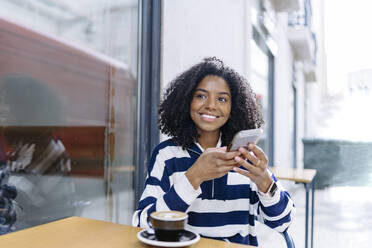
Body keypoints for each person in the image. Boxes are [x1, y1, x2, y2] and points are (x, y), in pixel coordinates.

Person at [132, 57, 295, 246]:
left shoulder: (244, 159)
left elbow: (282, 223)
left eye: (222, 99)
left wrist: (265, 182)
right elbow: (142, 224)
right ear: (186, 100)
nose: (211, 105)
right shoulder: (167, 155)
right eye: (201, 96)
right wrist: (193, 177)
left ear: (233, 107)